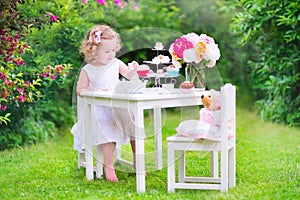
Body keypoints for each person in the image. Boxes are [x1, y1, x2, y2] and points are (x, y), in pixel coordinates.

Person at [71, 24, 139, 182]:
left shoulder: (115, 63)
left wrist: (133, 70)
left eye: (113, 50)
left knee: (133, 119)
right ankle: (108, 166)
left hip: (116, 106)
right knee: (107, 124)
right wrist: (96, 93)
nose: (111, 55)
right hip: (97, 110)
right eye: (107, 51)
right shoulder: (88, 70)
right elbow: (80, 90)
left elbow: (128, 75)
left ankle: (138, 160)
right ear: (93, 51)